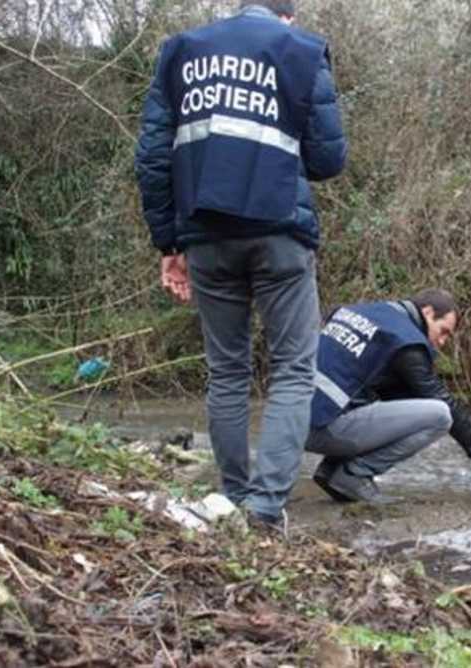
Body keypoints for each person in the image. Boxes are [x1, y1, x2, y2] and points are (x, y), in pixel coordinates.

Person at [134, 0, 347, 530]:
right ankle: (265, 510)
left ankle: (232, 495)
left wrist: (168, 244)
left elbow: (152, 158)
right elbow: (328, 160)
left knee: (226, 370)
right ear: (287, 17)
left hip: (205, 235)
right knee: (293, 369)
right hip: (280, 232)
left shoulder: (181, 52)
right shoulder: (302, 51)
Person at [306, 288, 471, 503]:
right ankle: (353, 474)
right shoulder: (405, 340)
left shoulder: (360, 313)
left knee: (383, 403)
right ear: (428, 312)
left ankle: (332, 470)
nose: (442, 342)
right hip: (318, 429)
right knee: (440, 415)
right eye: (443, 331)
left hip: (290, 419)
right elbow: (439, 399)